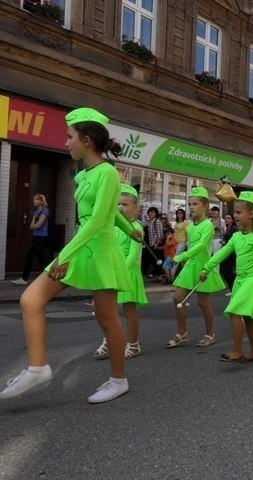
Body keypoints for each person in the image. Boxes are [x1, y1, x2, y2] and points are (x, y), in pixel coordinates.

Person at [0, 107, 139, 403]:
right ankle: (38, 368)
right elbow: (109, 213)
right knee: (30, 299)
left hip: (98, 252)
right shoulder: (82, 175)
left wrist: (64, 255)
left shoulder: (107, 173)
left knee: (106, 318)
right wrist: (130, 229)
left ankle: (118, 380)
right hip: (80, 248)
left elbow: (101, 219)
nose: (66, 143)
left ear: (86, 140)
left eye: (69, 137)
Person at [200, 191, 253, 362]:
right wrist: (207, 268)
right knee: (248, 318)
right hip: (240, 280)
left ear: (251, 214)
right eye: (235, 212)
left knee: (234, 311)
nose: (235, 215)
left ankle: (237, 349)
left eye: (239, 212)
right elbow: (222, 253)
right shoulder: (236, 237)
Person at [93, 184, 148, 359]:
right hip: (113, 272)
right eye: (118, 204)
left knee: (128, 309)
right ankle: (110, 340)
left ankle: (133, 344)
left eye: (125, 204)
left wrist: (118, 273)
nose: (120, 207)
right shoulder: (114, 227)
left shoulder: (137, 228)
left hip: (128, 273)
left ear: (136, 208)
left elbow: (132, 256)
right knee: (106, 309)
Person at [167, 187, 225, 348]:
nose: (191, 207)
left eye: (195, 204)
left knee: (203, 302)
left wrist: (182, 256)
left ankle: (210, 334)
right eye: (190, 204)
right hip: (190, 265)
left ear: (205, 206)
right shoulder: (190, 227)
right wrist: (175, 255)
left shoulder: (208, 226)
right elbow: (188, 244)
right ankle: (182, 333)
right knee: (178, 298)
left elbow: (201, 245)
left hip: (203, 266)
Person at [12, 194, 52, 286]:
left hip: (42, 237)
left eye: (37, 200)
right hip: (36, 237)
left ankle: (24, 278)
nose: (35, 201)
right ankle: (49, 278)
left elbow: (38, 225)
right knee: (41, 258)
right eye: (34, 199)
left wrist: (35, 225)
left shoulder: (45, 211)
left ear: (42, 201)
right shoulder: (36, 212)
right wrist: (35, 224)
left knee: (30, 255)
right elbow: (31, 226)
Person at [220, 213, 238, 295]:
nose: (226, 220)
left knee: (228, 271)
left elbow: (233, 240)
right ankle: (232, 288)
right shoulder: (227, 228)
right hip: (227, 251)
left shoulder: (234, 229)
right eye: (226, 218)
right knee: (224, 270)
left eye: (228, 218)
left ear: (232, 220)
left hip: (232, 252)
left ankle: (234, 288)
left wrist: (225, 242)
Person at [143, 207, 163, 279]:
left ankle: (159, 275)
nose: (151, 213)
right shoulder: (148, 222)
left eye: (153, 212)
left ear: (156, 214)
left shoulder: (157, 221)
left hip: (154, 243)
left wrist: (156, 244)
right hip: (148, 243)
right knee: (149, 259)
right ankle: (150, 274)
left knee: (156, 259)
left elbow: (159, 234)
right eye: (150, 212)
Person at [171, 208, 190, 278]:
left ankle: (171, 275)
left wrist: (188, 242)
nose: (179, 215)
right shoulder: (176, 223)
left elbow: (187, 233)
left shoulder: (185, 223)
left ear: (183, 214)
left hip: (182, 242)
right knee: (181, 260)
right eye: (178, 213)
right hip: (175, 242)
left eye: (180, 213)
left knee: (177, 257)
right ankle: (184, 274)